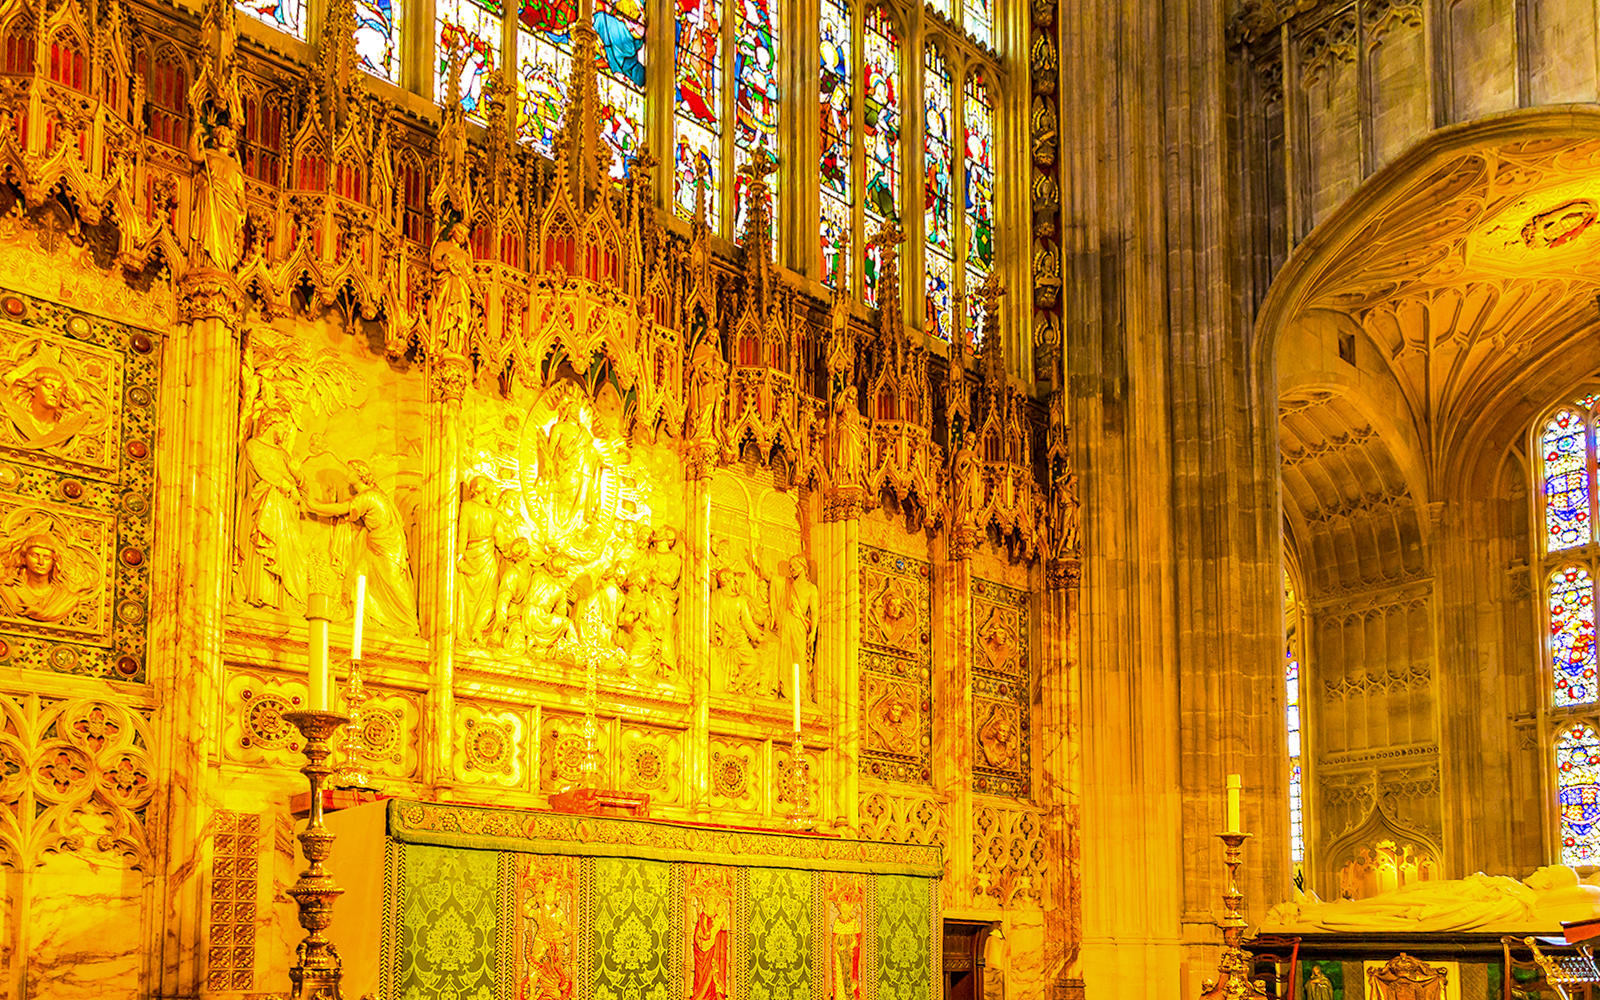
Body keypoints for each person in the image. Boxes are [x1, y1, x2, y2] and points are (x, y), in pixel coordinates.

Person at [302, 460, 418, 635]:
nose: (347, 473)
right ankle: (363, 617)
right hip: (376, 543)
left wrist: (314, 506)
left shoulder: (368, 497)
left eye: (349, 470)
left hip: (386, 546)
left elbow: (343, 509)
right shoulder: (371, 494)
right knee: (359, 575)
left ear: (359, 474)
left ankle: (408, 621)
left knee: (392, 581)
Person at [237, 413, 307, 610]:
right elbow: (264, 471)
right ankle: (263, 595)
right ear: (271, 424)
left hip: (287, 507)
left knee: (288, 550)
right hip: (266, 503)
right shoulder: (254, 445)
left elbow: (300, 484)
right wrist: (287, 486)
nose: (284, 431)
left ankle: (282, 598)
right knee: (267, 544)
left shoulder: (283, 453)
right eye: (282, 425)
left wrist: (297, 475)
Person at [188, 119, 246, 272]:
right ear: (215, 138)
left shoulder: (235, 166)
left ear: (231, 141)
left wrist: (243, 209)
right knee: (209, 232)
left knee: (225, 238)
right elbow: (194, 157)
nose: (222, 137)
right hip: (211, 197)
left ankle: (222, 263)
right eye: (220, 134)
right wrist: (194, 136)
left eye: (226, 135)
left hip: (229, 206)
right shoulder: (209, 154)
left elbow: (240, 192)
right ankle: (208, 262)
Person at [0, 533, 88, 623]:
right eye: (34, 555)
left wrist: (39, 612)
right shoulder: (10, 589)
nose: (41, 562)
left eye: (47, 557)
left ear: (53, 562)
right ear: (23, 559)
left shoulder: (66, 598)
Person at [456, 476, 498, 644]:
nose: (492, 493)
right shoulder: (494, 513)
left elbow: (463, 532)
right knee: (489, 598)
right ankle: (476, 630)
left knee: (476, 597)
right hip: (487, 559)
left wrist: (460, 555)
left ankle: (473, 630)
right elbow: (501, 540)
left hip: (473, 556)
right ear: (484, 489)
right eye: (490, 489)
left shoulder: (466, 507)